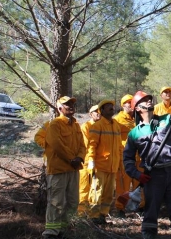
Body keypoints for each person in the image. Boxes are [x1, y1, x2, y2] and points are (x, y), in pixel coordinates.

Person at [123, 90, 171, 239]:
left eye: (149, 99)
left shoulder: (167, 119)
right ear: (138, 109)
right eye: (144, 100)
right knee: (151, 212)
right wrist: (137, 175)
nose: (149, 101)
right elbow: (127, 160)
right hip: (153, 176)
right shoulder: (134, 133)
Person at [42, 96, 85, 239]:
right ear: (59, 108)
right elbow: (57, 145)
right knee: (56, 201)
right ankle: (51, 232)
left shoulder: (76, 125)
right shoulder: (54, 124)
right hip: (58, 170)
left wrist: (80, 157)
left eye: (72, 104)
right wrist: (71, 158)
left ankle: (66, 229)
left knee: (73, 201)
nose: (71, 106)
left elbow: (82, 145)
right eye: (67, 105)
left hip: (73, 169)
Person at [86, 100, 124, 224]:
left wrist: (120, 161)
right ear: (101, 111)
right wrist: (91, 160)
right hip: (100, 165)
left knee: (108, 193)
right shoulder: (97, 126)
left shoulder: (116, 125)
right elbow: (92, 145)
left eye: (112, 107)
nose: (111, 109)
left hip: (113, 166)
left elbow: (119, 146)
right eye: (108, 107)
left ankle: (103, 215)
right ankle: (94, 216)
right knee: (97, 191)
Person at [113, 94, 137, 216]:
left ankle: (140, 207)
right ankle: (120, 208)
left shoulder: (137, 118)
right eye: (127, 102)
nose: (130, 104)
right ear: (123, 105)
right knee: (123, 185)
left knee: (139, 184)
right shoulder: (117, 120)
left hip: (139, 156)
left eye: (131, 102)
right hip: (125, 157)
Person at [78, 105, 101, 214]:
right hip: (86, 162)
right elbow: (86, 145)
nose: (98, 113)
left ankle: (93, 213)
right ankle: (81, 212)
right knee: (84, 188)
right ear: (90, 114)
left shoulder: (102, 126)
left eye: (99, 111)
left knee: (95, 188)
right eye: (95, 112)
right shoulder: (86, 126)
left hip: (99, 163)